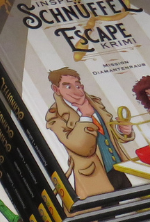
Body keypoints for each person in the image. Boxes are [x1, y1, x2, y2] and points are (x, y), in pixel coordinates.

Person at [45, 68, 135, 196]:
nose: (76, 91)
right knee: (107, 207)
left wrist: (123, 131)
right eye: (68, 87)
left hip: (121, 169)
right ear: (56, 89)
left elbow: (109, 131)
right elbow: (80, 147)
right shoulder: (56, 116)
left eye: (77, 85)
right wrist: (86, 117)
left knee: (135, 201)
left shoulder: (94, 102)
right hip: (94, 176)